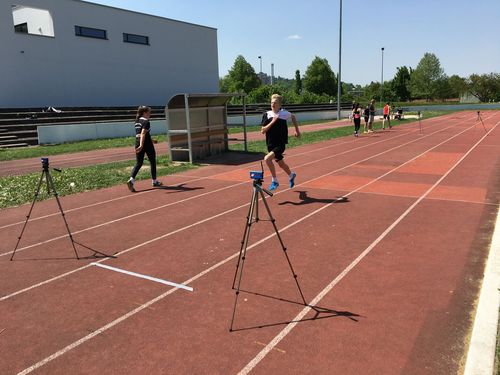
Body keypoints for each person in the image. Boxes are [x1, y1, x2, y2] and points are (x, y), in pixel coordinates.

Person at [260, 94, 301, 191]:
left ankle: (275, 181)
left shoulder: (284, 113)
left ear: (279, 104)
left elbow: (293, 117)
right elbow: (262, 131)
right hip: (270, 144)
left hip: (280, 144)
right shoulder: (267, 114)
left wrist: (297, 130)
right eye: (271, 102)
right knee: (281, 164)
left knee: (267, 159)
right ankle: (291, 175)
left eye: (275, 102)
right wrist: (273, 121)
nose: (273, 104)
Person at [126, 105, 162, 192]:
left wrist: (152, 140)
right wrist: (142, 145)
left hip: (137, 141)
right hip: (146, 143)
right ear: (145, 112)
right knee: (152, 161)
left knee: (139, 163)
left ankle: (131, 180)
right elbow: (142, 134)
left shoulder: (137, 121)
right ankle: (154, 181)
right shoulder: (146, 121)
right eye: (149, 112)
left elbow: (142, 134)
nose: (150, 114)